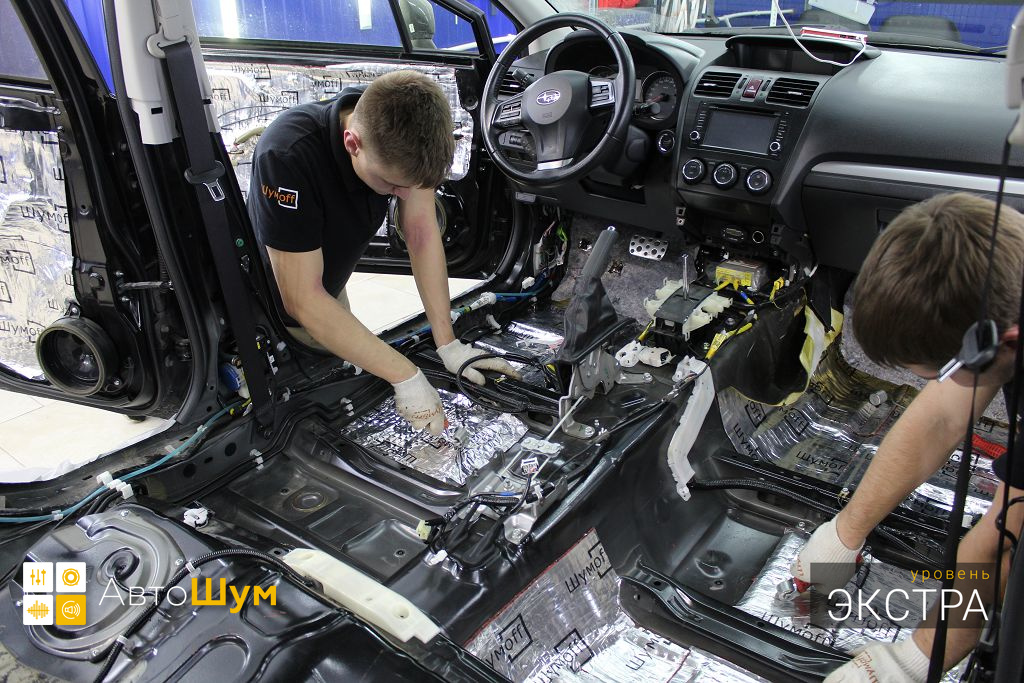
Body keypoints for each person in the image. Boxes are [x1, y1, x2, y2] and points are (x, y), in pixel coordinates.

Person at [791, 193, 1024, 682]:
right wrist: (844, 534)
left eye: (940, 372)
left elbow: (999, 547)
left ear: (1004, 342)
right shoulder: (1005, 261)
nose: (937, 385)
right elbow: (942, 415)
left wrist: (914, 661)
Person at [247, 70, 517, 433]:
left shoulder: (405, 125)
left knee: (346, 363)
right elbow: (302, 299)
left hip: (325, 287)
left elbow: (421, 234)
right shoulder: (287, 155)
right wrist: (406, 376)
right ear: (352, 143)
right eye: (392, 185)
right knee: (299, 408)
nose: (403, 196)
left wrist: (448, 344)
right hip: (271, 303)